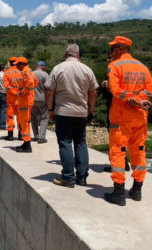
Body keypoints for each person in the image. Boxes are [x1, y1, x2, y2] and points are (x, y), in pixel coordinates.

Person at [104, 36, 152, 206]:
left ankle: (119, 192)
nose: (111, 52)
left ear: (119, 49)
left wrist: (130, 99)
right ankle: (137, 189)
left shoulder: (115, 65)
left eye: (113, 49)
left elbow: (116, 89)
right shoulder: (142, 67)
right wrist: (140, 99)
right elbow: (150, 90)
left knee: (118, 151)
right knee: (138, 150)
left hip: (121, 117)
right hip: (140, 117)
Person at [45, 44, 99, 187]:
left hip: (63, 112)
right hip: (81, 112)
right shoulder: (87, 70)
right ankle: (81, 178)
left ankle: (68, 177)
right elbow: (93, 92)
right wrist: (90, 109)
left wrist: (50, 109)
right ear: (78, 55)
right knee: (81, 142)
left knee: (65, 142)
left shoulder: (58, 69)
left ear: (65, 54)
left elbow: (50, 91)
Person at [101, 52, 130, 173]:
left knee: (117, 138)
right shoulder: (116, 69)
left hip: (116, 110)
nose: (108, 59)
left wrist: (107, 86)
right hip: (118, 109)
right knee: (121, 138)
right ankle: (123, 162)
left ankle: (119, 164)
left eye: (110, 57)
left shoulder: (115, 69)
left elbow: (117, 91)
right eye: (107, 57)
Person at [15, 57, 38, 153]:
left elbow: (31, 83)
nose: (16, 66)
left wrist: (23, 92)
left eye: (17, 64)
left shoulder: (26, 71)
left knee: (24, 123)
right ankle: (25, 143)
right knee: (24, 122)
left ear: (22, 64)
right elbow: (36, 81)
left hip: (25, 101)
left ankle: (27, 145)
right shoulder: (27, 71)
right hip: (25, 100)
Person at [3, 57, 22, 140]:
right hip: (21, 98)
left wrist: (14, 92)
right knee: (21, 117)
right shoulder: (22, 72)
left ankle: (10, 135)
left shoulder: (7, 72)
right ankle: (21, 135)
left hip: (11, 98)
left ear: (10, 63)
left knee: (10, 116)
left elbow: (7, 86)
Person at [31, 61, 49, 144]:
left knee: (33, 118)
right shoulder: (45, 75)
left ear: (36, 66)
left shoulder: (31, 74)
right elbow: (48, 88)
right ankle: (42, 138)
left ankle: (35, 136)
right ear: (43, 67)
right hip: (42, 99)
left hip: (32, 99)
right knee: (44, 118)